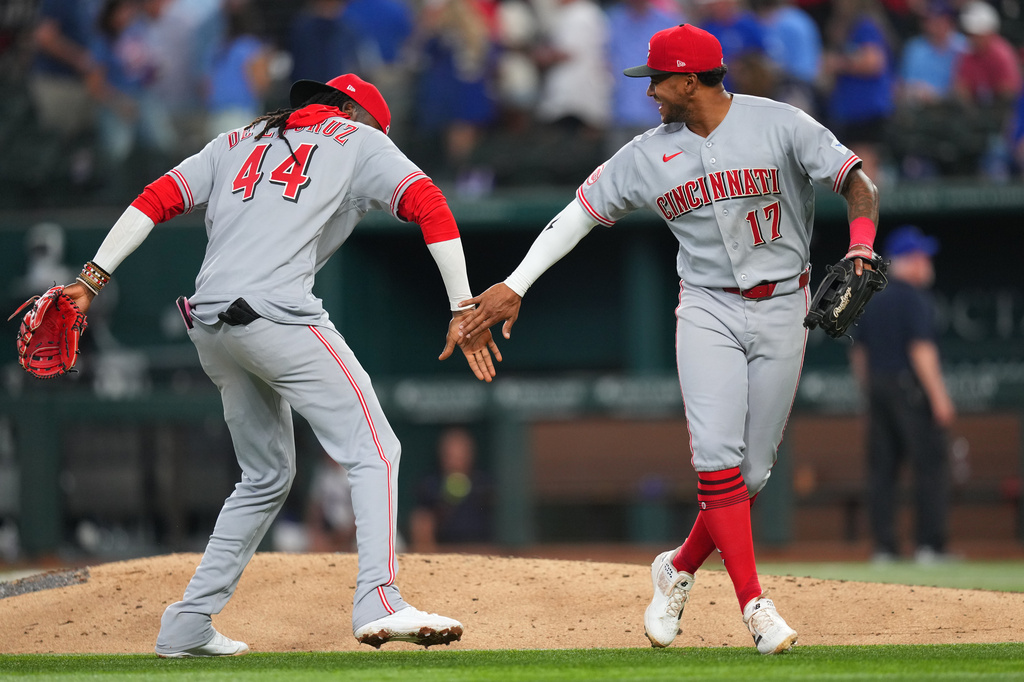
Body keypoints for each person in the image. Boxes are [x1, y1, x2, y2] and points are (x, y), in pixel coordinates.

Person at [456, 23, 880, 655]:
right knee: (716, 458)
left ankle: (678, 568)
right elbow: (576, 213)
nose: (649, 91)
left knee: (752, 473)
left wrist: (863, 245)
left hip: (783, 306)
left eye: (657, 79)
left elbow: (857, 182)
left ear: (689, 80)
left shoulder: (781, 123)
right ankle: (754, 606)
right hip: (706, 308)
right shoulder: (647, 153)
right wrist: (517, 283)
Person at [57, 72, 501, 656]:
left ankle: (188, 623)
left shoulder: (236, 140)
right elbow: (430, 204)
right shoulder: (358, 139)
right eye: (371, 122)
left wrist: (91, 278)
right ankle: (380, 598)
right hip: (275, 312)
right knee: (375, 450)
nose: (374, 133)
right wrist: (462, 306)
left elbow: (155, 198)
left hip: (210, 321)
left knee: (265, 476)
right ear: (347, 109)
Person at [849, 225, 955, 564]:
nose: (927, 263)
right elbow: (921, 350)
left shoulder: (872, 296)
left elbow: (859, 355)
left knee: (882, 471)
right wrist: (939, 398)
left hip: (879, 388)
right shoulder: (914, 297)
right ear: (904, 262)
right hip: (910, 389)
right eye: (920, 257)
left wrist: (869, 391)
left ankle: (885, 549)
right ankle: (929, 546)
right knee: (929, 466)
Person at [410, 427, 493, 551]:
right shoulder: (430, 485)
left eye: (461, 454)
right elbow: (421, 522)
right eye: (450, 454)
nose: (455, 460)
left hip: (482, 550)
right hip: (443, 551)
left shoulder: (483, 483)